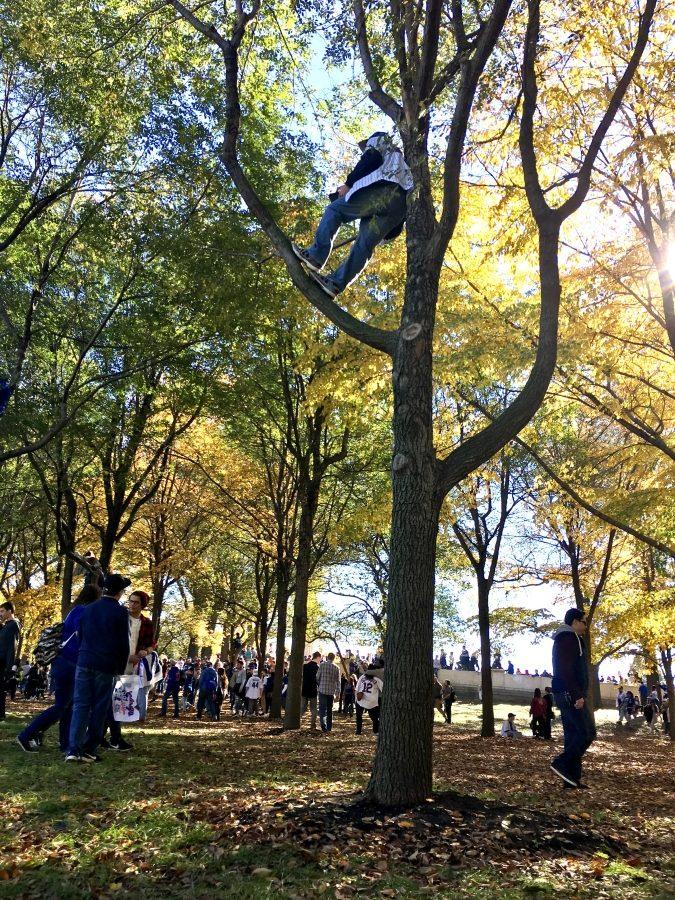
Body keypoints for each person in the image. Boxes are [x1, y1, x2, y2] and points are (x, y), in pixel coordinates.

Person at [292, 131, 413, 298]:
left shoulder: (379, 141)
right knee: (364, 246)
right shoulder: (404, 165)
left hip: (382, 190)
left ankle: (316, 255)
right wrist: (393, 231)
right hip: (399, 207)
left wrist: (348, 184)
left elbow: (371, 158)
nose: (364, 150)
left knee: (335, 209)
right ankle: (335, 284)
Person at [16, 585, 101, 753]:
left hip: (62, 661)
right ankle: (26, 735)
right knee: (61, 706)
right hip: (70, 663)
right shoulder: (84, 612)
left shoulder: (74, 610)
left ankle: (66, 743)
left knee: (67, 705)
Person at [65, 574, 131, 762]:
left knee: (80, 706)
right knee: (99, 708)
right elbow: (123, 644)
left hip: (84, 661)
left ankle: (73, 749)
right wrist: (120, 667)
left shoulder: (88, 609)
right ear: (120, 592)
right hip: (106, 665)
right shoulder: (120, 613)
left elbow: (80, 635)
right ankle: (89, 749)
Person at [550, 609, 596, 789]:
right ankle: (561, 763)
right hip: (570, 694)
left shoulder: (567, 639)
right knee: (587, 733)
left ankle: (571, 779)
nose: (586, 626)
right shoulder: (568, 639)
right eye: (584, 622)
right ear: (575, 622)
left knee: (573, 736)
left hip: (565, 693)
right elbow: (566, 670)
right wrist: (577, 694)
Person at [105, 589, 155, 751]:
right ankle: (110, 737)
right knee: (109, 702)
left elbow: (151, 643)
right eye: (130, 601)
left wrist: (145, 652)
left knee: (118, 704)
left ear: (143, 605)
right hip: (114, 664)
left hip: (131, 669)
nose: (132, 605)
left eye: (136, 602)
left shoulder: (146, 623)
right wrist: (127, 656)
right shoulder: (121, 617)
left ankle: (109, 737)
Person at [0, 601, 20, 722]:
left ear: (9, 611)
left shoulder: (14, 625)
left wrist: (10, 667)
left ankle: (1, 714)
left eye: (2, 611)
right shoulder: (6, 625)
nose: (0, 613)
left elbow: (12, 647)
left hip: (2, 662)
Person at [316, 652, 341, 733]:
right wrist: (338, 693)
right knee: (330, 710)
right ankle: (329, 728)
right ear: (333, 658)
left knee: (322, 709)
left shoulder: (322, 665)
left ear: (327, 657)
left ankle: (323, 726)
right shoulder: (336, 668)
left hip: (322, 690)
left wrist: (320, 683)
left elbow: (317, 677)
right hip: (331, 692)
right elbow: (338, 682)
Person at [355, 671, 383, 735]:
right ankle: (376, 731)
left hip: (362, 700)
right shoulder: (376, 679)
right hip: (370, 701)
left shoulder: (362, 677)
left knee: (359, 716)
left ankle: (358, 731)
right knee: (374, 717)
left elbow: (357, 688)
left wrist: (356, 697)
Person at [301, 651, 321, 730]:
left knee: (302, 707)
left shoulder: (305, 666)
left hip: (305, 689)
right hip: (313, 690)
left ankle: (297, 720)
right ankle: (313, 724)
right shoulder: (317, 667)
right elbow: (317, 680)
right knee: (313, 709)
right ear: (318, 657)